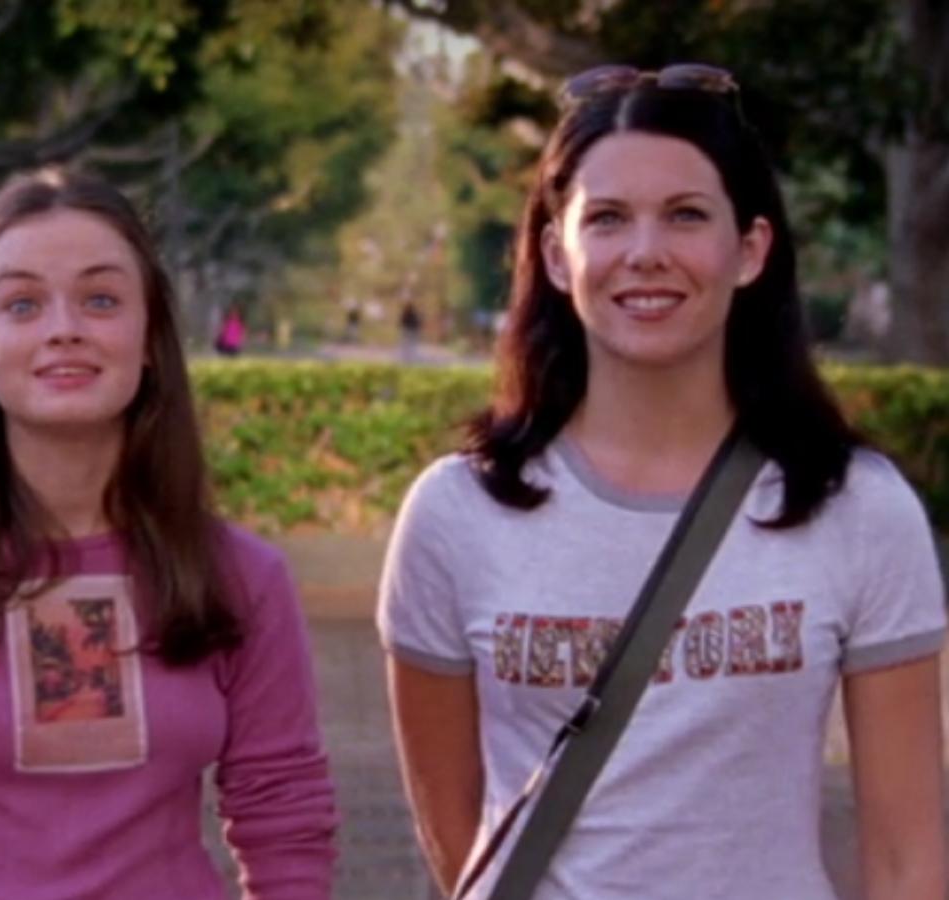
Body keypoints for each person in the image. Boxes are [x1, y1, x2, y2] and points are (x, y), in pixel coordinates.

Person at [378, 64, 946, 900]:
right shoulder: (457, 511)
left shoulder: (856, 506)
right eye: (607, 219)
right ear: (557, 256)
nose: (645, 254)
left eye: (686, 215)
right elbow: (457, 835)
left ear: (750, 250)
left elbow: (907, 860)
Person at [0, 171, 337, 899]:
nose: (64, 328)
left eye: (101, 299)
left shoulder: (242, 576)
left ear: (150, 338)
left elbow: (285, 819)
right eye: (22, 304)